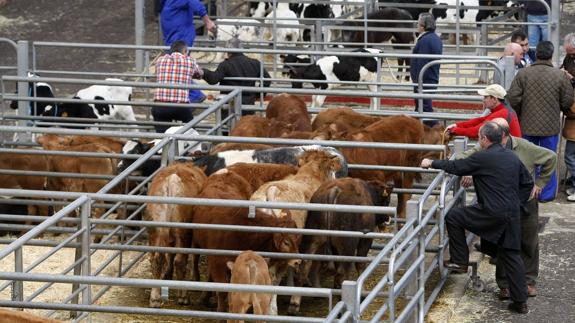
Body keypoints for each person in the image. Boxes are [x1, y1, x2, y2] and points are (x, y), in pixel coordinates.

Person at [421, 122, 533, 314]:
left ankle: (460, 261)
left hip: (491, 211)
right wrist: (517, 203)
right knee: (512, 254)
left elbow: (457, 166)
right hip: (512, 214)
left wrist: (431, 163)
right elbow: (528, 182)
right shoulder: (512, 157)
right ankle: (520, 302)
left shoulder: (483, 157)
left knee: (454, 216)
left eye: (479, 138)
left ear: (484, 139)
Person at [458, 118, 557, 300]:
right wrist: (468, 170)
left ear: (505, 135)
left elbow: (551, 157)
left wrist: (540, 183)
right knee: (504, 244)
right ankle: (504, 285)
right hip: (501, 205)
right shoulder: (487, 146)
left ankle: (528, 281)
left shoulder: (525, 148)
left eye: (498, 136)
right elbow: (464, 157)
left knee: (528, 241)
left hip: (524, 203)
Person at [507, 41, 574, 202]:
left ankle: (526, 192)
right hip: (550, 126)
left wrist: (521, 111)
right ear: (551, 55)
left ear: (536, 55)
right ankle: (546, 194)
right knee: (548, 159)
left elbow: (513, 97)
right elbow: (567, 100)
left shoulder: (523, 74)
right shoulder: (560, 76)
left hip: (527, 124)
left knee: (526, 158)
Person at [158, 0, 216, 103]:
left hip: (176, 37)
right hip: (178, 36)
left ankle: (194, 95)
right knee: (178, 68)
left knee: (176, 69)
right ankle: (195, 95)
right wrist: (208, 21)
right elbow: (195, 3)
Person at [202, 38, 271, 116]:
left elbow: (213, 79)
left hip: (229, 105)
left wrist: (202, 72)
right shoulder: (255, 63)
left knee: (229, 127)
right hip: (248, 105)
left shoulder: (225, 65)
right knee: (246, 126)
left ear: (228, 50)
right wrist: (257, 94)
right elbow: (267, 80)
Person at [153, 40, 203, 133]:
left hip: (160, 105)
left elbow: (157, 72)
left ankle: (161, 144)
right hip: (180, 106)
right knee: (191, 131)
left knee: (161, 136)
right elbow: (200, 74)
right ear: (185, 51)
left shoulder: (160, 60)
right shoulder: (190, 61)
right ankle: (190, 144)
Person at [446, 84, 521, 139]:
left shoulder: (501, 113)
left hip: (511, 153)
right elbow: (480, 120)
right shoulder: (503, 110)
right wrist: (457, 125)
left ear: (494, 99)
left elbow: (475, 131)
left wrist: (454, 130)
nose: (483, 100)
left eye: (485, 97)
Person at [410, 12, 443, 127]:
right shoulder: (435, 39)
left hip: (424, 80)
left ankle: (438, 132)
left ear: (423, 26)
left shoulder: (425, 40)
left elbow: (421, 63)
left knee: (424, 108)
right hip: (430, 78)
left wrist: (417, 80)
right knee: (421, 107)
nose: (417, 26)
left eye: (418, 24)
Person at [560, 33, 575, 200]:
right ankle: (572, 180)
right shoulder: (569, 58)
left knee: (570, 156)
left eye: (572, 52)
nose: (570, 55)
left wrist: (572, 79)